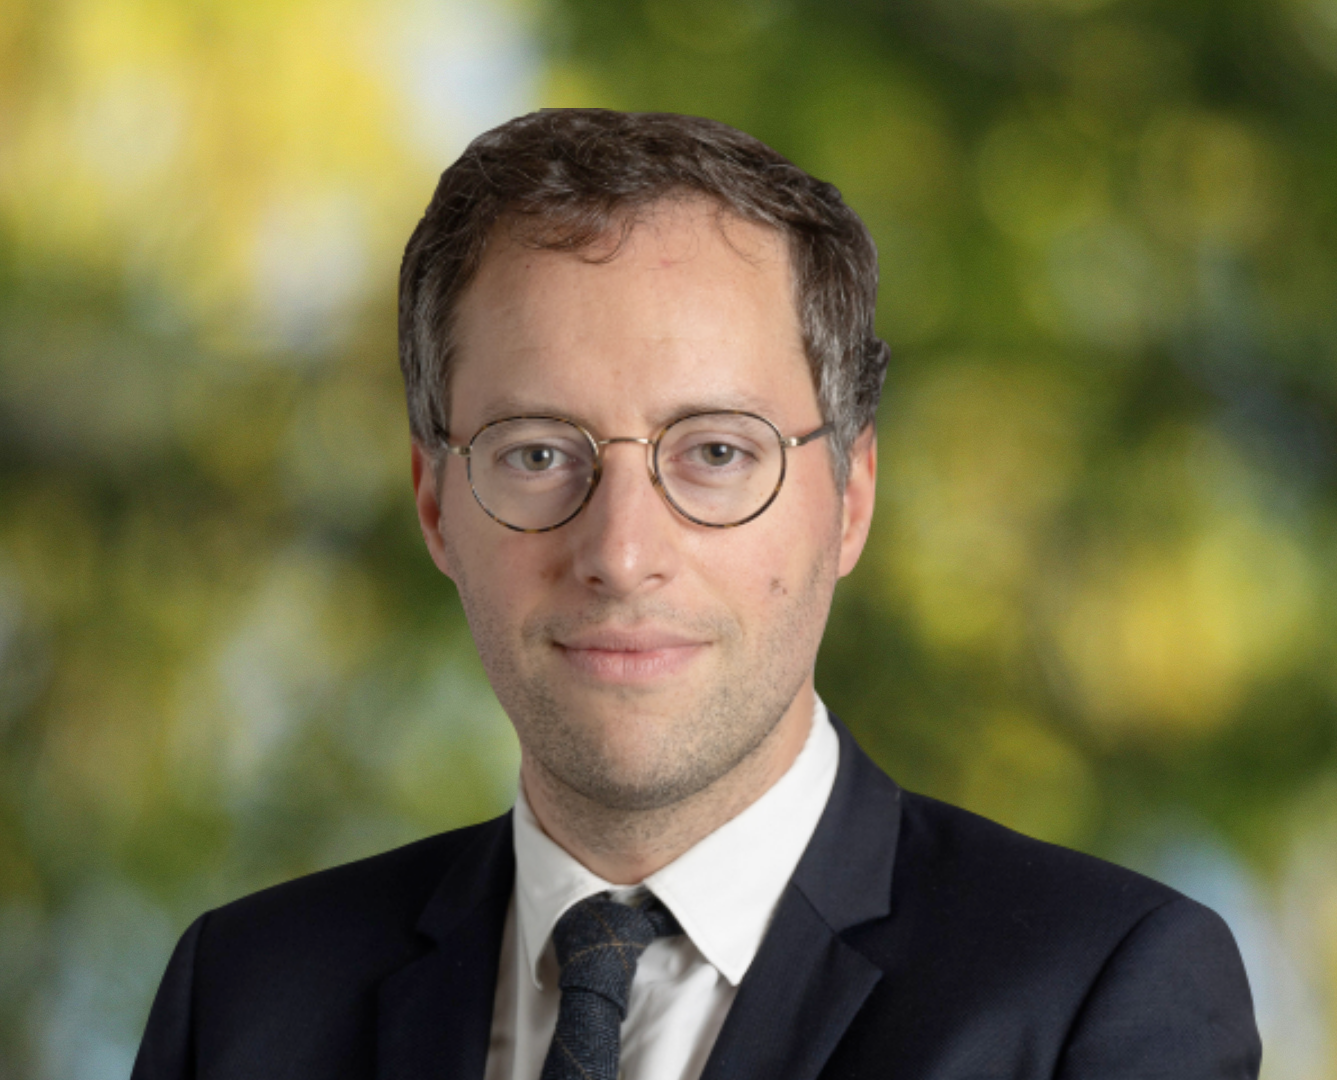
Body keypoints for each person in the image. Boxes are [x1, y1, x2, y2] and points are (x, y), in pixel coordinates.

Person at [131, 108, 1261, 1080]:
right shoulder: (242, 1003)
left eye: (717, 452)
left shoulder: (1093, 999)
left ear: (850, 496)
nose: (622, 553)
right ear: (434, 503)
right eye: (538, 453)